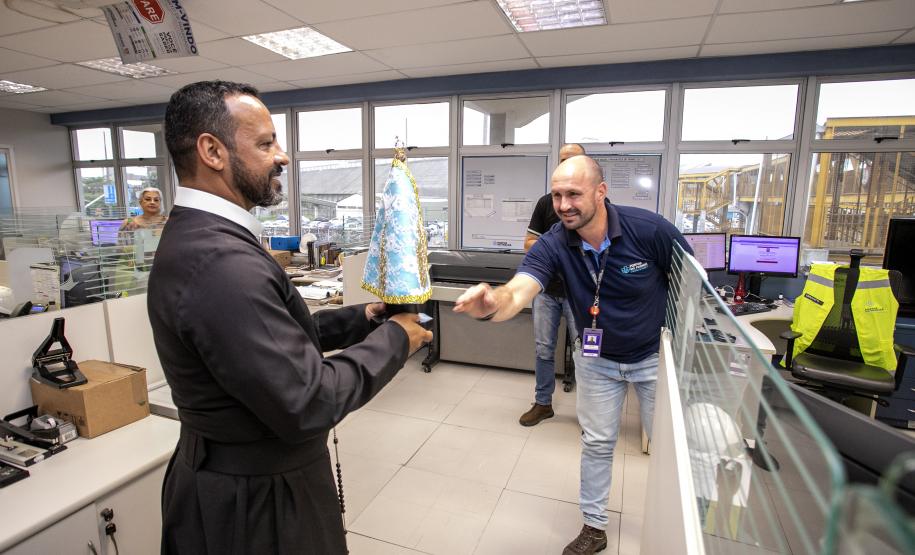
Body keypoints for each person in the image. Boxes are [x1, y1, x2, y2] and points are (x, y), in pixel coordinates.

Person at [147, 81, 432, 555]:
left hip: (238, 481)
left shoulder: (205, 238)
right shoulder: (221, 263)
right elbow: (309, 400)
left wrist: (364, 318)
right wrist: (397, 339)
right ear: (212, 151)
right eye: (265, 144)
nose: (282, 156)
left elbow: (268, 345)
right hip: (256, 504)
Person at [454, 155, 691, 555]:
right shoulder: (554, 242)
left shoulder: (649, 230)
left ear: (601, 192)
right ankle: (594, 527)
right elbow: (520, 289)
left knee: (670, 450)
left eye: (574, 194)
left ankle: (680, 531)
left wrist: (681, 341)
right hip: (596, 360)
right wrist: (492, 304)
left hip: (651, 358)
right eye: (557, 195)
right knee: (597, 444)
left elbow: (689, 280)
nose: (563, 205)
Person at [519, 142, 585, 427]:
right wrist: (556, 248)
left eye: (572, 160)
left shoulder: (594, 205)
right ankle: (543, 403)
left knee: (584, 353)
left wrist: (555, 251)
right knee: (544, 350)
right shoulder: (547, 203)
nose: (566, 165)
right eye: (562, 160)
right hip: (547, 292)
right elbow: (528, 244)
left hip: (580, 293)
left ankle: (590, 413)